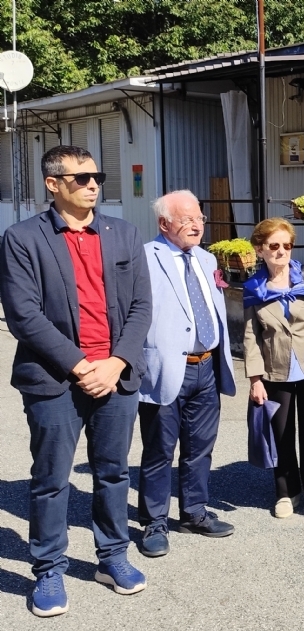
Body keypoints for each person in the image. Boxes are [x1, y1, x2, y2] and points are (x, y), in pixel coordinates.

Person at [0, 145, 152, 616]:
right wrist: (82, 365)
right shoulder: (23, 238)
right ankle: (48, 570)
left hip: (116, 378)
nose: (93, 184)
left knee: (113, 473)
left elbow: (141, 307)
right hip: (54, 380)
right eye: (82, 177)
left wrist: (117, 362)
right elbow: (23, 315)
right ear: (53, 184)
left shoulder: (123, 234)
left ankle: (113, 557)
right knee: (50, 479)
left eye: (97, 177)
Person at [137, 190, 237, 557]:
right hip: (165, 369)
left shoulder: (207, 258)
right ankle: (154, 522)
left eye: (200, 218)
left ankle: (194, 512)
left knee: (200, 448)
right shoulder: (145, 258)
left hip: (207, 366)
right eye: (187, 219)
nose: (197, 225)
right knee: (160, 450)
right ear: (165, 224)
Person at [243, 217, 304, 519]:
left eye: (287, 245)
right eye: (274, 246)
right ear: (260, 249)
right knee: (281, 434)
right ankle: (287, 492)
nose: (282, 251)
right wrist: (255, 378)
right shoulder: (253, 288)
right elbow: (251, 335)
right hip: (275, 371)